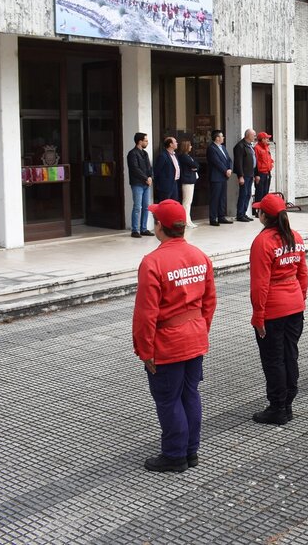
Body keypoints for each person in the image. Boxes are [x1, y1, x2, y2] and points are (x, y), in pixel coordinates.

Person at [132, 199, 216, 472]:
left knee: (168, 399)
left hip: (167, 342)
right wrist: (201, 329)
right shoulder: (200, 256)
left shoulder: (152, 262)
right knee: (190, 393)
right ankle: (191, 451)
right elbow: (209, 302)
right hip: (194, 337)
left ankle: (174, 454)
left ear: (160, 227)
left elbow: (146, 313)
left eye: (154, 219)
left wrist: (145, 351)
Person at [249, 194, 308, 425]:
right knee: (290, 355)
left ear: (264, 216)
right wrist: (299, 298)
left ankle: (277, 407)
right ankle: (288, 403)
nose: (258, 215)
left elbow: (260, 284)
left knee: (273, 359)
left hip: (273, 310)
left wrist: (258, 316)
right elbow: (302, 273)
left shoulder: (263, 242)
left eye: (259, 211)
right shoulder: (295, 237)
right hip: (294, 306)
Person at [127, 132, 153, 238]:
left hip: (146, 183)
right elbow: (134, 169)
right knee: (137, 207)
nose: (147, 142)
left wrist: (150, 177)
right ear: (140, 141)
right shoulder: (132, 153)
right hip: (137, 183)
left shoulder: (145, 153)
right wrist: (145, 178)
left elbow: (149, 167)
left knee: (146, 207)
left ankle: (143, 228)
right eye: (145, 140)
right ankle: (135, 230)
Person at [207, 130, 233, 226]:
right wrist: (225, 170)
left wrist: (229, 168)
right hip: (216, 177)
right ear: (217, 138)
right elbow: (216, 162)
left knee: (222, 197)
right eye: (222, 136)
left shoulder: (223, 147)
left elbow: (228, 159)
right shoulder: (211, 148)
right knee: (215, 198)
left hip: (224, 176)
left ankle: (221, 216)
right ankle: (213, 218)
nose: (223, 138)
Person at [233, 129, 257, 222]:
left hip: (250, 174)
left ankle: (244, 212)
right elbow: (238, 162)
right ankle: (240, 214)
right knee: (243, 194)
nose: (255, 137)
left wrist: (255, 174)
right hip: (244, 174)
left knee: (248, 194)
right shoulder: (240, 146)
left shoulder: (249, 146)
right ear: (248, 135)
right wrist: (240, 176)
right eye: (253, 135)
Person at [176, 140, 199, 228]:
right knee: (186, 202)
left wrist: (194, 167)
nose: (191, 147)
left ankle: (188, 220)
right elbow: (194, 165)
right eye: (189, 146)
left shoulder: (188, 156)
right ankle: (185, 221)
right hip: (187, 181)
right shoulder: (183, 157)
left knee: (188, 202)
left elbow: (196, 165)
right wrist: (194, 167)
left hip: (190, 180)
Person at [153, 136, 181, 203]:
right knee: (165, 205)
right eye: (175, 142)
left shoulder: (174, 155)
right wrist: (160, 184)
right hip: (165, 185)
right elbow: (157, 170)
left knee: (174, 204)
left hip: (174, 183)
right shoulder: (163, 155)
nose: (177, 143)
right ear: (170, 144)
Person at [254, 132, 274, 212]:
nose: (268, 140)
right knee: (259, 192)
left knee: (265, 192)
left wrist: (271, 164)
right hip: (261, 173)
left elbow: (269, 159)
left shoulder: (266, 148)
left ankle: (263, 210)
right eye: (266, 138)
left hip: (267, 172)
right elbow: (255, 162)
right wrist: (257, 174)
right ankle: (257, 210)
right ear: (262, 139)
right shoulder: (257, 148)